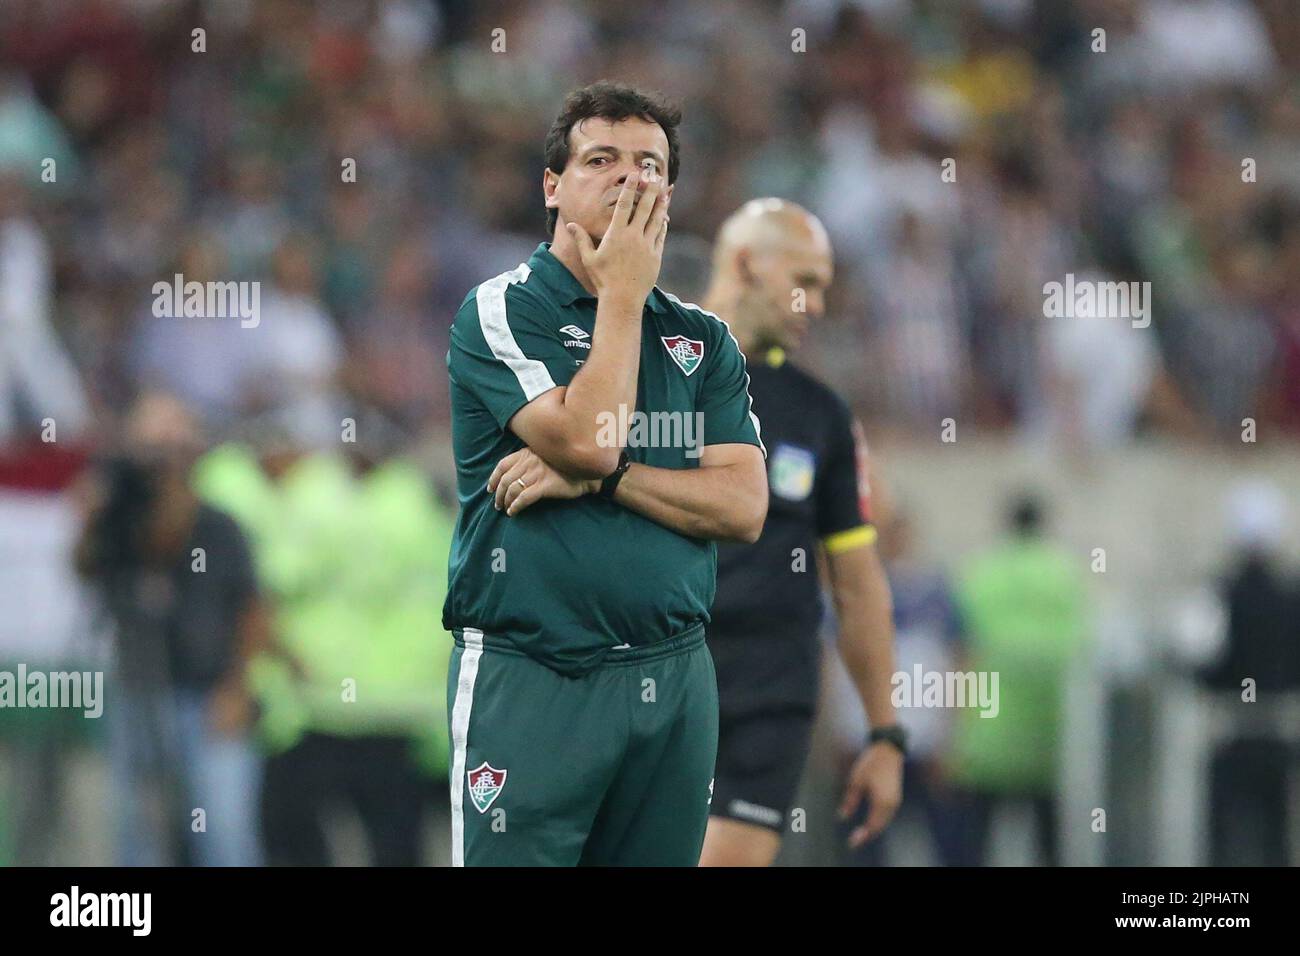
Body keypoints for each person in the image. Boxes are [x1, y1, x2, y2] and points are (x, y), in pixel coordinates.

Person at [443, 81, 768, 867]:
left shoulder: (703, 340)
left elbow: (744, 506)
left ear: (671, 191)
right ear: (553, 186)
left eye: (649, 166)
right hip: (535, 675)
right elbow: (590, 438)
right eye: (602, 160)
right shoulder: (499, 310)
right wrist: (622, 294)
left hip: (674, 675)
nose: (630, 179)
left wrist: (609, 479)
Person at [691, 198, 904, 867]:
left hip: (770, 690)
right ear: (748, 263)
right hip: (656, 675)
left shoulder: (822, 416)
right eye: (804, 282)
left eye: (824, 288)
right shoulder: (653, 376)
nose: (814, 304)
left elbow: (858, 585)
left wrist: (885, 732)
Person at [74, 393, 268, 866]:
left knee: (224, 832)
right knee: (138, 830)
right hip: (137, 689)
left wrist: (237, 688)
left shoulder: (219, 523)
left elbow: (254, 608)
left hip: (208, 694)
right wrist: (92, 514)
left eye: (172, 448)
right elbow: (84, 569)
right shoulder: (119, 516)